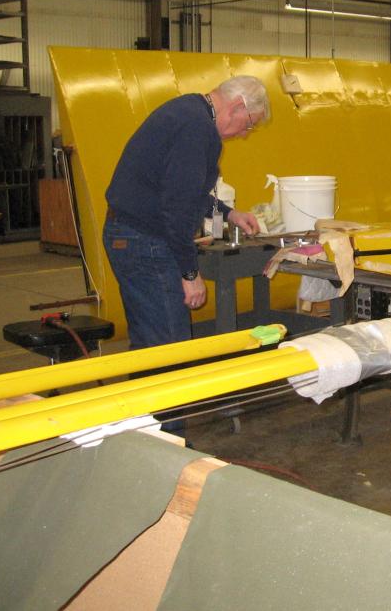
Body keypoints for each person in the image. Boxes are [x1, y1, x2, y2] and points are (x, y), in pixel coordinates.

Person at [102, 76, 270, 441]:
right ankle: (166, 443)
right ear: (238, 106)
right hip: (144, 241)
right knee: (169, 351)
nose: (244, 133)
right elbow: (176, 210)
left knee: (151, 347)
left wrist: (227, 213)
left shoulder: (190, 113)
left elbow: (181, 188)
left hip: (130, 236)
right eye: (249, 124)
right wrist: (190, 272)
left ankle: (147, 437)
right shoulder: (197, 128)